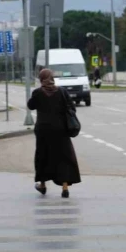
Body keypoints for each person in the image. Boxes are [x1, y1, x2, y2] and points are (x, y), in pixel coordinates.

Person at [27, 68, 81, 198]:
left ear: (41, 79)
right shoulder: (62, 92)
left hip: (43, 130)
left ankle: (43, 185)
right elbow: (72, 108)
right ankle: (65, 187)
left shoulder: (38, 93)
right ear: (52, 78)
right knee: (63, 157)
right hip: (60, 130)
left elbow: (30, 105)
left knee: (43, 156)